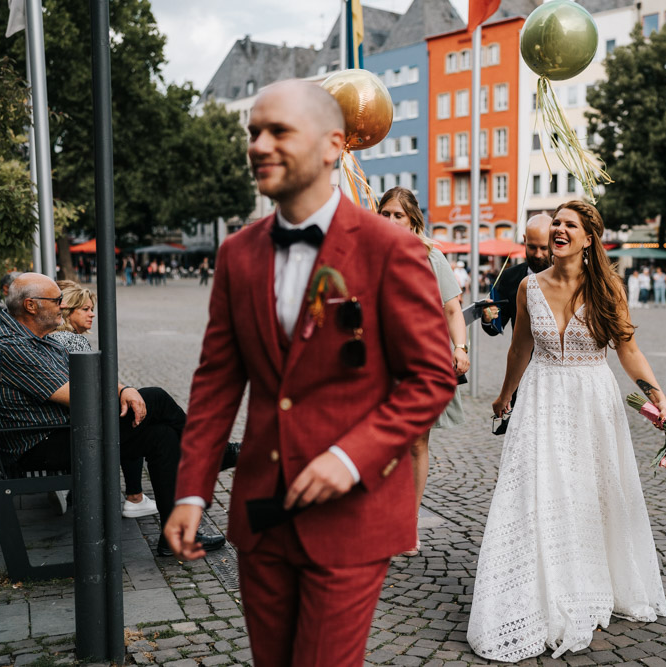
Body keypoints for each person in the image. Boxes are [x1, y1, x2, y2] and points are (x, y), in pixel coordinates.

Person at [162, 80, 455, 667]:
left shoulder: (390, 249)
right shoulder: (236, 254)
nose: (259, 145)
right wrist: (193, 489)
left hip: (352, 514)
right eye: (253, 133)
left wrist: (349, 457)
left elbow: (431, 377)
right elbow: (217, 381)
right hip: (261, 514)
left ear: (332, 146)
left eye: (279, 131)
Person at [467, 200, 666, 662]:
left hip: (592, 401)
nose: (559, 229)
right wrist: (504, 397)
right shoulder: (526, 287)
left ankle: (587, 578)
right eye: (556, 223)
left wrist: (656, 393)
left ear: (588, 238)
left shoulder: (608, 289)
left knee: (589, 493)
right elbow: (519, 348)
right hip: (540, 400)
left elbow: (629, 350)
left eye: (569, 225)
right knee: (534, 492)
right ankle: (534, 589)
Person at [0, 273, 226, 553]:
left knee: (162, 436)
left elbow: (94, 376)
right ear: (31, 305)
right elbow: (81, 396)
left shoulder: (34, 337)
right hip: (39, 443)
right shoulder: (12, 346)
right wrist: (125, 392)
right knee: (156, 399)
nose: (62, 305)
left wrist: (124, 390)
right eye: (57, 300)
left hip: (62, 430)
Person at [378, 186, 468, 557]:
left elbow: (452, 308)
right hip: (380, 361)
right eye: (384, 214)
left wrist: (460, 347)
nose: (390, 221)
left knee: (415, 443)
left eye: (397, 215)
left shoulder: (431, 257)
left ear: (413, 218)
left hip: (420, 360)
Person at [481, 214, 552, 335]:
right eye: (532, 247)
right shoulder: (509, 276)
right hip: (522, 352)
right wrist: (488, 318)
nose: (538, 254)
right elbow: (496, 326)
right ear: (525, 240)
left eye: (544, 248)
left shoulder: (568, 276)